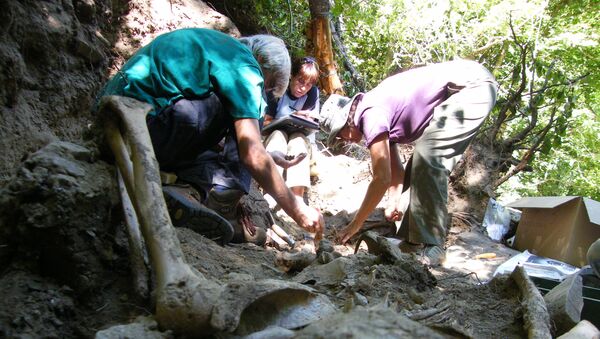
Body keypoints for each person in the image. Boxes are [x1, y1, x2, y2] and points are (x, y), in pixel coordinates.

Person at [97, 28, 323, 245]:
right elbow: (251, 154)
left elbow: (213, 139)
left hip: (111, 127)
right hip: (139, 129)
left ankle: (187, 190)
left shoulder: (216, 47)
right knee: (241, 113)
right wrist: (297, 209)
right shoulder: (245, 67)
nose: (263, 93)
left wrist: (267, 155)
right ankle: (220, 203)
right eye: (268, 86)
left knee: (234, 123)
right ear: (266, 69)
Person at [320, 59, 497, 265]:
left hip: (472, 87)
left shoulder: (370, 114)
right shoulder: (375, 113)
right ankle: (412, 242)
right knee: (418, 166)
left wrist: (356, 224)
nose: (344, 140)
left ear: (348, 119)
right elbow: (394, 172)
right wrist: (393, 201)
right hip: (467, 86)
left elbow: (381, 178)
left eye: (340, 134)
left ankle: (434, 246)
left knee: (428, 156)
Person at [263, 56, 320, 201]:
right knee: (278, 135)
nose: (303, 88)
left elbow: (313, 126)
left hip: (301, 137)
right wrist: (288, 116)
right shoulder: (277, 89)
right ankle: (270, 191)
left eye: (308, 85)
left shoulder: (312, 94)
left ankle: (297, 196)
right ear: (291, 76)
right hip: (274, 134)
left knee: (299, 140)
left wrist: (306, 117)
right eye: (300, 81)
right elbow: (264, 122)